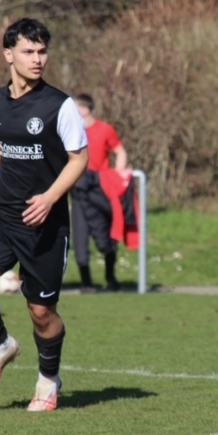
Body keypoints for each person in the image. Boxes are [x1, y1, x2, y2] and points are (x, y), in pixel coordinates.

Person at [0, 18, 88, 412]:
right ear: (8, 55)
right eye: (29, 51)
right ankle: (2, 345)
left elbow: (79, 159)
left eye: (42, 51)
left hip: (45, 223)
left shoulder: (59, 105)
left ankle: (48, 380)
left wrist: (49, 198)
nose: (37, 59)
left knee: (41, 311)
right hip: (4, 215)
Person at [70, 93, 128, 292]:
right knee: (80, 235)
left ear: (85, 109)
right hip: (79, 189)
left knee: (105, 237)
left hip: (100, 188)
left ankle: (111, 277)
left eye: (76, 108)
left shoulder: (105, 129)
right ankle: (86, 283)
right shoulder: (69, 130)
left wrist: (117, 176)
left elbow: (120, 151)